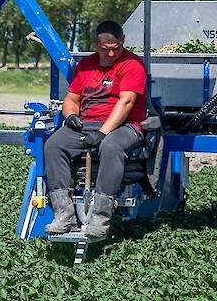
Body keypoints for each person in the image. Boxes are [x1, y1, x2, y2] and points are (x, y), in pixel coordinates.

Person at [43, 20, 147, 238]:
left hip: (124, 126)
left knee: (110, 146)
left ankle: (100, 217)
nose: (110, 54)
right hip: (87, 124)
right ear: (95, 44)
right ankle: (64, 215)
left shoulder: (132, 65)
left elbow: (126, 103)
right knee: (54, 144)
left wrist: (102, 133)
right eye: (104, 49)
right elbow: (71, 99)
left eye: (115, 48)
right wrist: (71, 116)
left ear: (123, 41)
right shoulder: (86, 66)